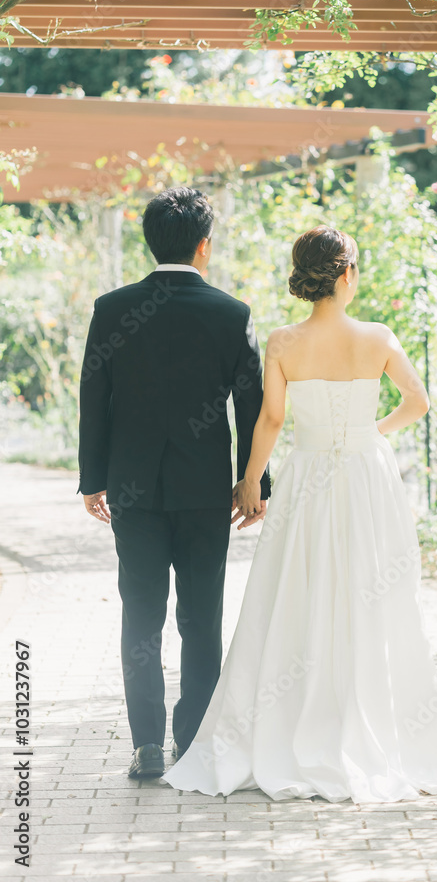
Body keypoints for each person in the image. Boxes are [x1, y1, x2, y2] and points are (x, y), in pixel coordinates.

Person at [162, 224, 437, 803]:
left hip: (306, 475)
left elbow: (271, 419)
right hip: (366, 475)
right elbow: (418, 402)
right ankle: (367, 721)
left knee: (297, 589)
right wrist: (372, 432)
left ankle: (289, 720)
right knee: (369, 589)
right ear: (347, 274)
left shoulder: (283, 342)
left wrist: (250, 479)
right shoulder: (378, 337)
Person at [77, 186, 270, 779]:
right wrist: (254, 484)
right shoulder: (231, 313)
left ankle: (146, 747)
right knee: (201, 618)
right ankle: (194, 742)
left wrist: (93, 479)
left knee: (140, 616)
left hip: (132, 489)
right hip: (206, 491)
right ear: (203, 245)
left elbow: (93, 397)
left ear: (150, 241)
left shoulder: (112, 308)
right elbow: (253, 406)